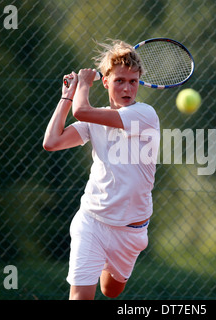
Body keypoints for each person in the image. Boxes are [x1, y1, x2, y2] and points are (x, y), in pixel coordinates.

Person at [42, 40, 160, 300]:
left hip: (131, 230)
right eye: (119, 80)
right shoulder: (96, 118)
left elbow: (82, 111)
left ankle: (106, 263)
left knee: (110, 291)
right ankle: (95, 257)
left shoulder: (144, 114)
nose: (127, 88)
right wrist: (67, 95)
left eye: (133, 81)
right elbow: (51, 142)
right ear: (106, 82)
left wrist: (83, 83)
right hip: (92, 221)